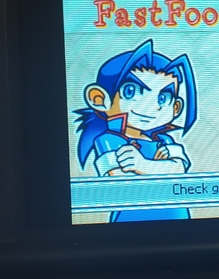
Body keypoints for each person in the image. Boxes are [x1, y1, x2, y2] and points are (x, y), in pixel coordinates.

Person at [74, 39, 197, 222]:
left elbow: (179, 169)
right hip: (131, 225)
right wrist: (160, 168)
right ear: (99, 99)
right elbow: (121, 184)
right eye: (131, 91)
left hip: (178, 220)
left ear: (176, 108)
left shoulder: (166, 141)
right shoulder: (108, 140)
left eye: (163, 98)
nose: (150, 107)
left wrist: (142, 165)